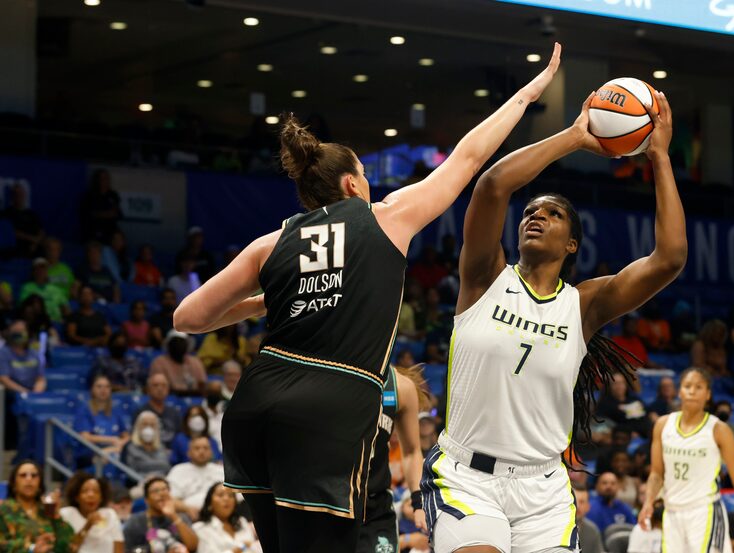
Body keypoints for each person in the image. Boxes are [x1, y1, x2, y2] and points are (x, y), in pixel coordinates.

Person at [173, 43, 564, 553]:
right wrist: (531, 91)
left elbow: (188, 317)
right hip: (331, 402)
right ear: (353, 182)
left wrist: (262, 301)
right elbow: (469, 157)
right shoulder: (386, 216)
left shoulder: (270, 243)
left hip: (255, 403)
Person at [421, 89, 685, 553]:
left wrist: (659, 156)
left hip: (542, 490)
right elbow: (492, 186)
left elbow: (669, 259)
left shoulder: (584, 306)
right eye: (530, 212)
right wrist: (574, 137)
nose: (537, 215)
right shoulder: (484, 278)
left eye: (553, 213)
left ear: (572, 246)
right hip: (467, 478)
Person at [639, 368, 734, 553]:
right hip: (671, 512)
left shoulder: (719, 430)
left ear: (708, 394)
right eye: (687, 386)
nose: (692, 391)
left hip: (704, 513)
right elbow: (656, 473)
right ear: (679, 391)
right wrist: (648, 502)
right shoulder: (663, 425)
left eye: (699, 387)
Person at [357, 366, 429, 553]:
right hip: (333, 502)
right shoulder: (330, 372)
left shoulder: (399, 386)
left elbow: (412, 452)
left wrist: (418, 503)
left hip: (375, 506)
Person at [0, 460, 74, 552]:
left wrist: (56, 516)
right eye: (23, 475)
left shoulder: (47, 509)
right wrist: (31, 549)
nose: (29, 479)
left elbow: (68, 545)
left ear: (40, 483)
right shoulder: (4, 509)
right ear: (14, 483)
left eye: (34, 475)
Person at [122, 476, 198, 553]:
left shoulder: (181, 517)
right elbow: (127, 550)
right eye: (155, 491)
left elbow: (193, 547)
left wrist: (173, 516)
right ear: (146, 499)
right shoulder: (135, 522)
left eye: (165, 489)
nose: (161, 494)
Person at [59, 471, 124, 553]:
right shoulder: (67, 514)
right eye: (85, 491)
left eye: (96, 491)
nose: (91, 495)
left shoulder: (110, 514)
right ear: (76, 497)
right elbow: (68, 550)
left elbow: (119, 548)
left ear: (101, 497)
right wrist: (87, 526)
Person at [73, 374, 130, 466]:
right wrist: (112, 440)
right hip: (90, 453)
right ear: (92, 389)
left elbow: (126, 435)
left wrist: (120, 444)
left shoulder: (115, 411)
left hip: (114, 451)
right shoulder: (84, 410)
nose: (103, 390)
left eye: (107, 387)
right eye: (99, 386)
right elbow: (85, 437)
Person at [168, 436, 225, 520]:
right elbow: (170, 499)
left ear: (211, 452)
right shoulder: (178, 470)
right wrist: (187, 509)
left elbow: (235, 496)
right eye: (197, 448)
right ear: (188, 452)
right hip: (190, 516)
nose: (201, 451)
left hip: (222, 514)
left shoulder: (221, 470)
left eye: (205, 448)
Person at [192, 483, 260, 553]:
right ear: (209, 504)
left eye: (231, 495)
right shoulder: (200, 528)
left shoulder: (241, 521)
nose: (226, 499)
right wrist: (235, 551)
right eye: (220, 495)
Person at [150, 330, 207, 396]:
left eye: (182, 341)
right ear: (169, 345)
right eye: (175, 341)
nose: (179, 345)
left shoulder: (195, 361)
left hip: (194, 398)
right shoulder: (159, 362)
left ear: (187, 345)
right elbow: (160, 387)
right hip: (169, 399)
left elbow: (202, 385)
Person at [133, 372, 183, 448]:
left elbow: (180, 437)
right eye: (155, 385)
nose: (160, 389)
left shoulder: (174, 413)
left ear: (168, 389)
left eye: (164, 385)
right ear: (148, 390)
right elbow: (136, 438)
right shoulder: (141, 413)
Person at [121, 411, 171, 481]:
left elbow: (167, 467)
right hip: (138, 484)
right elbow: (128, 472)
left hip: (162, 482)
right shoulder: (129, 447)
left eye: (152, 425)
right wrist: (147, 479)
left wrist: (157, 478)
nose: (148, 428)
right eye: (145, 424)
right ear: (137, 426)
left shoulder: (161, 446)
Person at [0, 320, 46, 393]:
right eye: (16, 331)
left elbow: (40, 379)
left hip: (33, 394)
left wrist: (36, 394)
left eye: (22, 331)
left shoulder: (34, 353)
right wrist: (25, 393)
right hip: (13, 395)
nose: (19, 334)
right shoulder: (3, 353)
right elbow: (4, 379)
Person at [20, 257, 71, 324]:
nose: (41, 271)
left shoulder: (55, 289)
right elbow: (23, 308)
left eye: (44, 269)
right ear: (33, 271)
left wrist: (67, 321)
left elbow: (66, 309)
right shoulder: (27, 288)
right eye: (38, 269)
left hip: (56, 323)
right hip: (36, 323)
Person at [2, 183, 45, 257]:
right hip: (16, 247)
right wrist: (32, 239)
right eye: (16, 194)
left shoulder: (32, 214)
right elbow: (10, 232)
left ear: (25, 195)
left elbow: (41, 231)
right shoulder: (6, 213)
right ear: (12, 196)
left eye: (21, 194)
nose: (19, 196)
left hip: (34, 246)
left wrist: (35, 243)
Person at [80, 169, 121, 242]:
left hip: (110, 231)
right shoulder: (89, 195)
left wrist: (102, 214)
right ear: (97, 180)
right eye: (102, 178)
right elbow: (88, 213)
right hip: (93, 231)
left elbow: (117, 213)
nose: (104, 181)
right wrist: (106, 214)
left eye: (106, 178)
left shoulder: (113, 195)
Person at [43, 237, 78, 302]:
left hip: (66, 302)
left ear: (59, 252)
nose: (52, 253)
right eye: (50, 249)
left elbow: (73, 285)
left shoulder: (66, 269)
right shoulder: (41, 268)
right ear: (46, 251)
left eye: (56, 250)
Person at [572, 483, 602, 553]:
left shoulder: (592, 530)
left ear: (588, 507)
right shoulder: (554, 527)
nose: (578, 506)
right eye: (574, 501)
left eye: (582, 502)